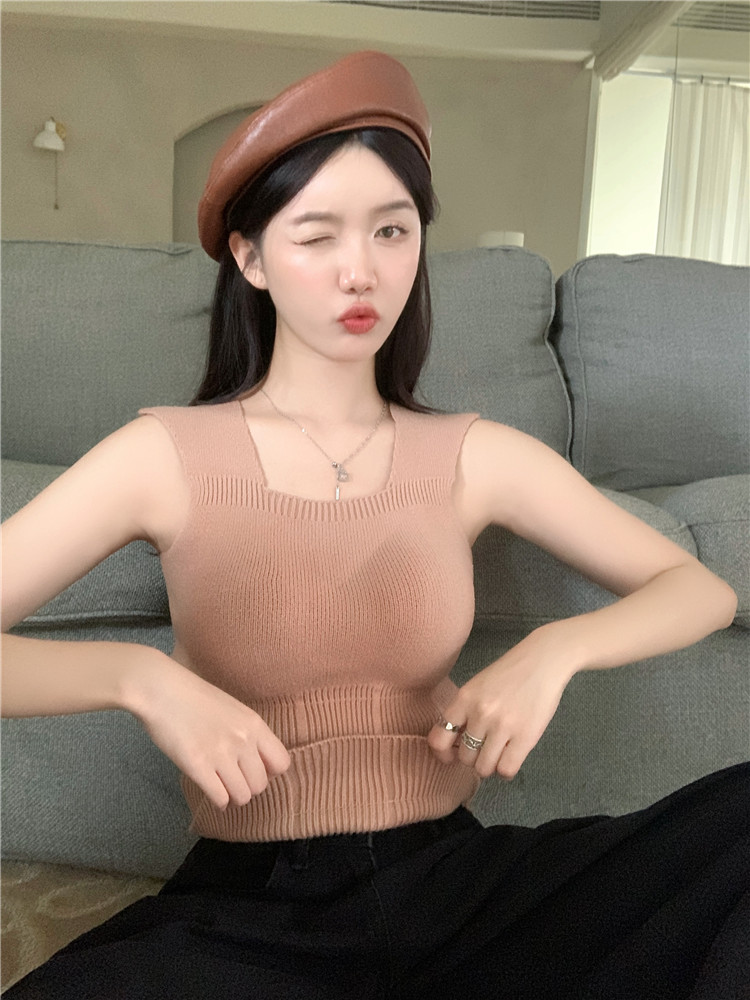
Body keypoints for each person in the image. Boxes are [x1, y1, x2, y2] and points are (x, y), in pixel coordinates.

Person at [2, 50, 748, 1000]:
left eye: (392, 231)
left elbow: (700, 589)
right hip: (251, 910)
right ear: (250, 258)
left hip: (460, 890)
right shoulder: (163, 456)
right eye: (316, 236)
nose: (361, 271)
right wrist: (136, 677)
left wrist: (557, 649)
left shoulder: (474, 454)